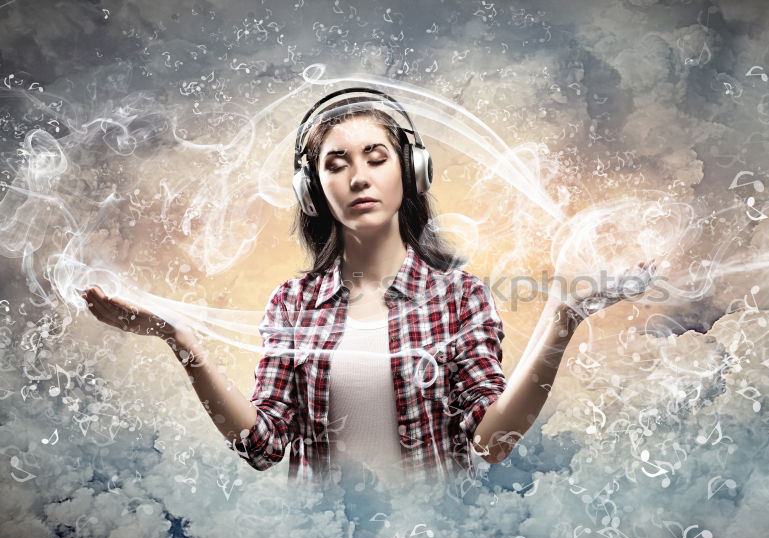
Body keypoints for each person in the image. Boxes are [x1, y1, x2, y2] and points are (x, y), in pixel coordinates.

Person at [81, 89, 664, 485]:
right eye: (336, 164)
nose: (358, 176)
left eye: (375, 157)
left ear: (409, 173)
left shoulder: (459, 297)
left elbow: (491, 442)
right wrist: (177, 338)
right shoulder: (293, 303)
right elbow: (262, 446)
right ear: (314, 190)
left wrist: (562, 317)